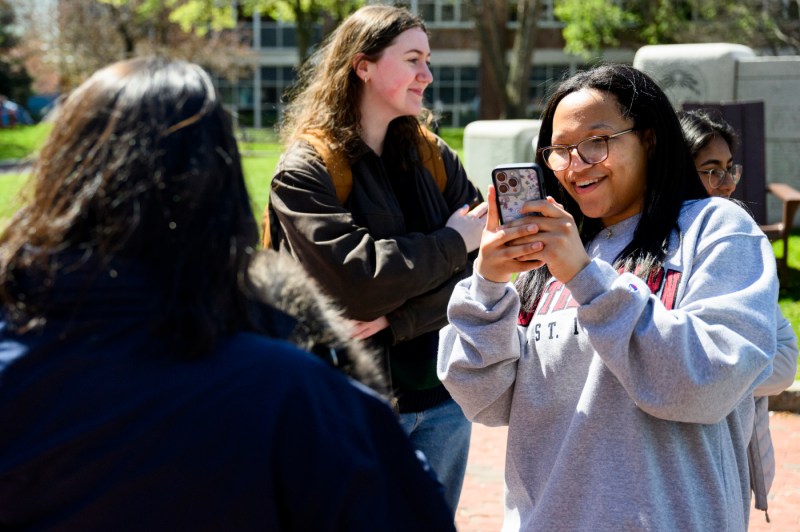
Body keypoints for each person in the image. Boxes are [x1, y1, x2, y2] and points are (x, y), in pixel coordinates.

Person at [0, 56, 456, 531]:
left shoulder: (15, 363)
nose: (425, 72)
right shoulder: (292, 393)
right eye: (412, 59)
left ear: (59, 175)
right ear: (220, 185)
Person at [438, 63, 777, 531]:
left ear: (650, 139)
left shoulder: (715, 229)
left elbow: (708, 382)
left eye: (596, 142)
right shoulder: (550, 252)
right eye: (559, 151)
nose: (575, 166)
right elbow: (484, 402)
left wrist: (585, 277)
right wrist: (488, 286)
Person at [265, 4, 487, 513]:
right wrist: (453, 243)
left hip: (442, 402)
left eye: (427, 60)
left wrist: (400, 315)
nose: (427, 75)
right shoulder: (305, 170)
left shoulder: (433, 155)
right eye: (412, 59)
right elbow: (357, 286)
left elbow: (486, 269)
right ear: (362, 65)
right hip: (345, 405)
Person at [679, 108, 798, 520]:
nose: (728, 184)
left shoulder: (740, 243)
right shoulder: (653, 253)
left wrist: (720, 375)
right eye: (711, 170)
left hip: (723, 471)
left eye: (730, 168)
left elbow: (783, 361)